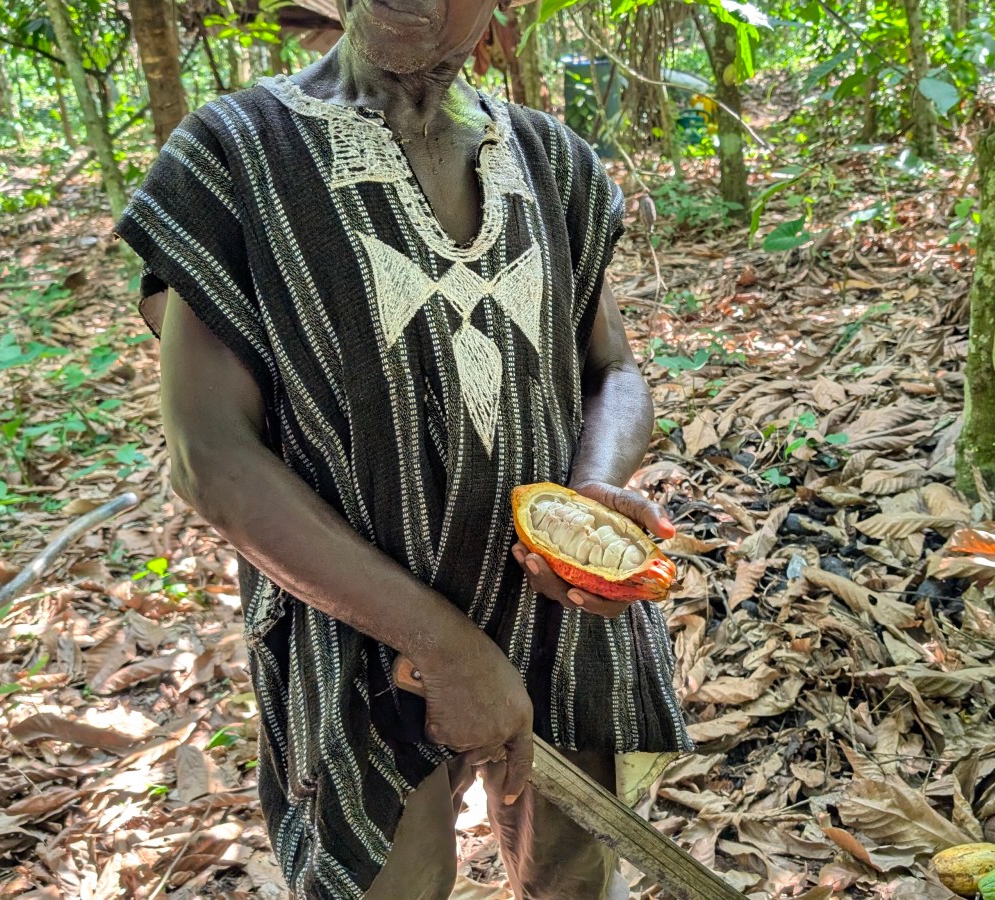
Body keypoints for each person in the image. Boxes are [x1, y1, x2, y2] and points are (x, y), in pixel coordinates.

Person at [114, 0, 691, 894]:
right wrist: (444, 647)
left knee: (574, 874)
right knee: (392, 878)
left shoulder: (551, 160)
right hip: (354, 629)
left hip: (557, 619)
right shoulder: (236, 157)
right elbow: (210, 459)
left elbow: (613, 372)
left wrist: (585, 503)